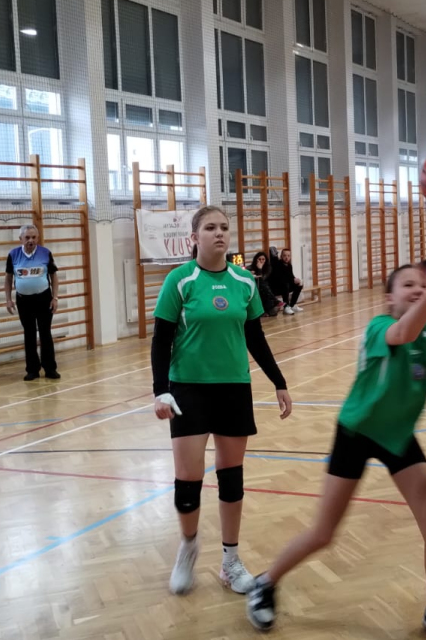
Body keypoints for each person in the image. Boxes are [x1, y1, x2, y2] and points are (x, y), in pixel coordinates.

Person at [245, 260, 426, 640]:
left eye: (422, 285)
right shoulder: (379, 327)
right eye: (408, 285)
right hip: (356, 432)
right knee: (324, 532)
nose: (418, 290)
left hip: (398, 436)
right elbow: (403, 333)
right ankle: (265, 582)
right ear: (389, 298)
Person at [151, 206, 294, 596]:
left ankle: (230, 561)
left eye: (224, 228)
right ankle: (188, 546)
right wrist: (160, 389)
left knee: (231, 478)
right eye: (210, 227)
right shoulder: (180, 280)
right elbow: (161, 339)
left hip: (233, 388)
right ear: (194, 237)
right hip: (188, 389)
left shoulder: (244, 280)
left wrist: (279, 382)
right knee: (188, 481)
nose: (219, 233)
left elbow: (255, 337)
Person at [4, 224, 60, 381]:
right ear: (20, 239)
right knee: (29, 334)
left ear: (38, 238)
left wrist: (55, 298)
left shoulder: (45, 253)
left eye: (34, 237)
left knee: (45, 333)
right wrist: (8, 299)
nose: (31, 240)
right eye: (27, 237)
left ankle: (50, 369)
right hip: (23, 300)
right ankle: (32, 370)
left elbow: (53, 276)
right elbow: (8, 278)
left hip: (44, 299)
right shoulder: (13, 255)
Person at [269, 247, 304, 314]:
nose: (286, 257)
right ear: (281, 256)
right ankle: (286, 307)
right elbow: (280, 278)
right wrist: (292, 280)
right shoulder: (277, 265)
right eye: (284, 255)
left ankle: (292, 305)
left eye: (288, 256)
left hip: (285, 286)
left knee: (299, 285)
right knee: (285, 284)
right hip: (276, 287)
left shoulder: (289, 265)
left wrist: (296, 280)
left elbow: (291, 276)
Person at [247, 251, 279, 317]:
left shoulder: (268, 268)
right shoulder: (250, 267)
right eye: (259, 259)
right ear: (256, 259)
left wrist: (260, 269)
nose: (261, 261)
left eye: (263, 259)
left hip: (264, 288)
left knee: (274, 312)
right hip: (254, 286)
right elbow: (245, 274)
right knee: (263, 287)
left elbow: (262, 279)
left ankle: (268, 307)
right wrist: (249, 273)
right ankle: (274, 300)